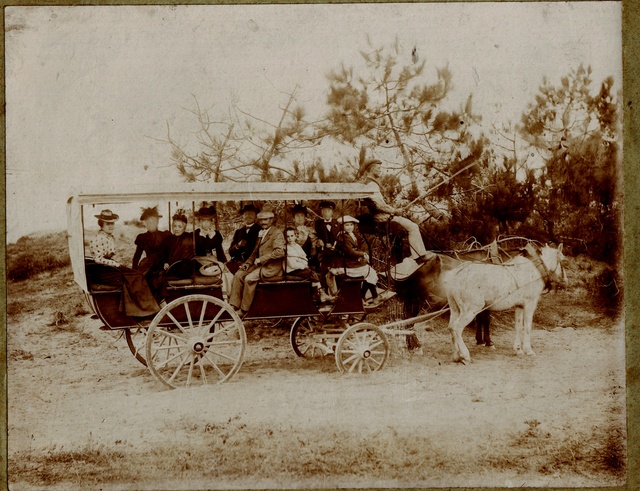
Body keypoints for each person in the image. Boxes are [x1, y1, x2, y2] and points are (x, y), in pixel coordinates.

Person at [359, 159, 436, 276]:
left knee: (408, 226)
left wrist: (395, 210)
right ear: (372, 169)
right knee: (413, 226)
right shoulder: (372, 184)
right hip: (382, 218)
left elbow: (380, 204)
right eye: (378, 168)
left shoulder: (371, 183)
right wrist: (395, 211)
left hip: (383, 216)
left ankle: (411, 258)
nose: (380, 171)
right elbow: (378, 205)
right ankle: (420, 256)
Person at [89, 210, 160, 317]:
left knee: (135, 275)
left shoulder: (108, 237)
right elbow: (98, 259)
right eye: (108, 224)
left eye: (112, 223)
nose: (111, 226)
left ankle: (139, 308)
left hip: (108, 268)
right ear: (101, 224)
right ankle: (144, 309)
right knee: (136, 277)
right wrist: (115, 264)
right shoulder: (99, 238)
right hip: (103, 271)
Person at [229, 207, 285, 317]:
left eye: (266, 220)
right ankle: (233, 305)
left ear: (271, 220)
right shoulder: (261, 233)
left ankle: (244, 310)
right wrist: (247, 264)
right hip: (259, 265)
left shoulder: (277, 233)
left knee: (249, 279)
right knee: (239, 275)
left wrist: (262, 259)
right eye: (261, 220)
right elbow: (255, 251)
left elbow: (280, 252)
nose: (263, 222)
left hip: (271, 267)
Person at [332, 215, 392, 308]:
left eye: (351, 225)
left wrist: (363, 254)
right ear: (343, 226)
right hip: (345, 264)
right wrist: (362, 254)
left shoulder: (353, 235)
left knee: (370, 272)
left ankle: (366, 296)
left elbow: (360, 245)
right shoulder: (342, 237)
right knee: (369, 272)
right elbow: (350, 251)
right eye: (347, 225)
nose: (349, 227)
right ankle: (367, 296)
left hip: (352, 262)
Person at [283, 227, 323, 299]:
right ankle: (320, 295)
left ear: (295, 236)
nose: (290, 238)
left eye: (292, 236)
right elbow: (292, 264)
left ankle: (317, 295)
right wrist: (303, 265)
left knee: (315, 273)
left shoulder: (297, 246)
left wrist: (303, 263)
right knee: (312, 274)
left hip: (300, 268)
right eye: (287, 236)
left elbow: (304, 258)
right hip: (291, 271)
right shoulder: (286, 248)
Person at [314, 200, 341, 298]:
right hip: (323, 254)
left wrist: (334, 246)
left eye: (329, 211)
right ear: (321, 212)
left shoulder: (337, 224)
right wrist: (320, 243)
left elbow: (341, 239)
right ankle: (324, 295)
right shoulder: (318, 224)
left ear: (332, 212)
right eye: (324, 211)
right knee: (323, 272)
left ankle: (337, 294)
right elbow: (315, 237)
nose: (326, 213)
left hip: (335, 254)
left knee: (337, 273)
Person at [132, 206, 171, 272]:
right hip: (148, 266)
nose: (151, 224)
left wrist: (166, 263)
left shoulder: (165, 235)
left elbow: (169, 253)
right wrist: (134, 270)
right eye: (148, 222)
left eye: (153, 221)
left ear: (157, 222)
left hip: (162, 266)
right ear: (146, 223)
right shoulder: (142, 238)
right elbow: (137, 255)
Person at [227, 204, 261, 274]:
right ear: (243, 216)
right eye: (246, 214)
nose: (248, 216)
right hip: (237, 263)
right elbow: (231, 252)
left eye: (251, 214)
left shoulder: (260, 230)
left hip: (252, 264)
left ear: (256, 216)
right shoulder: (238, 232)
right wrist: (237, 246)